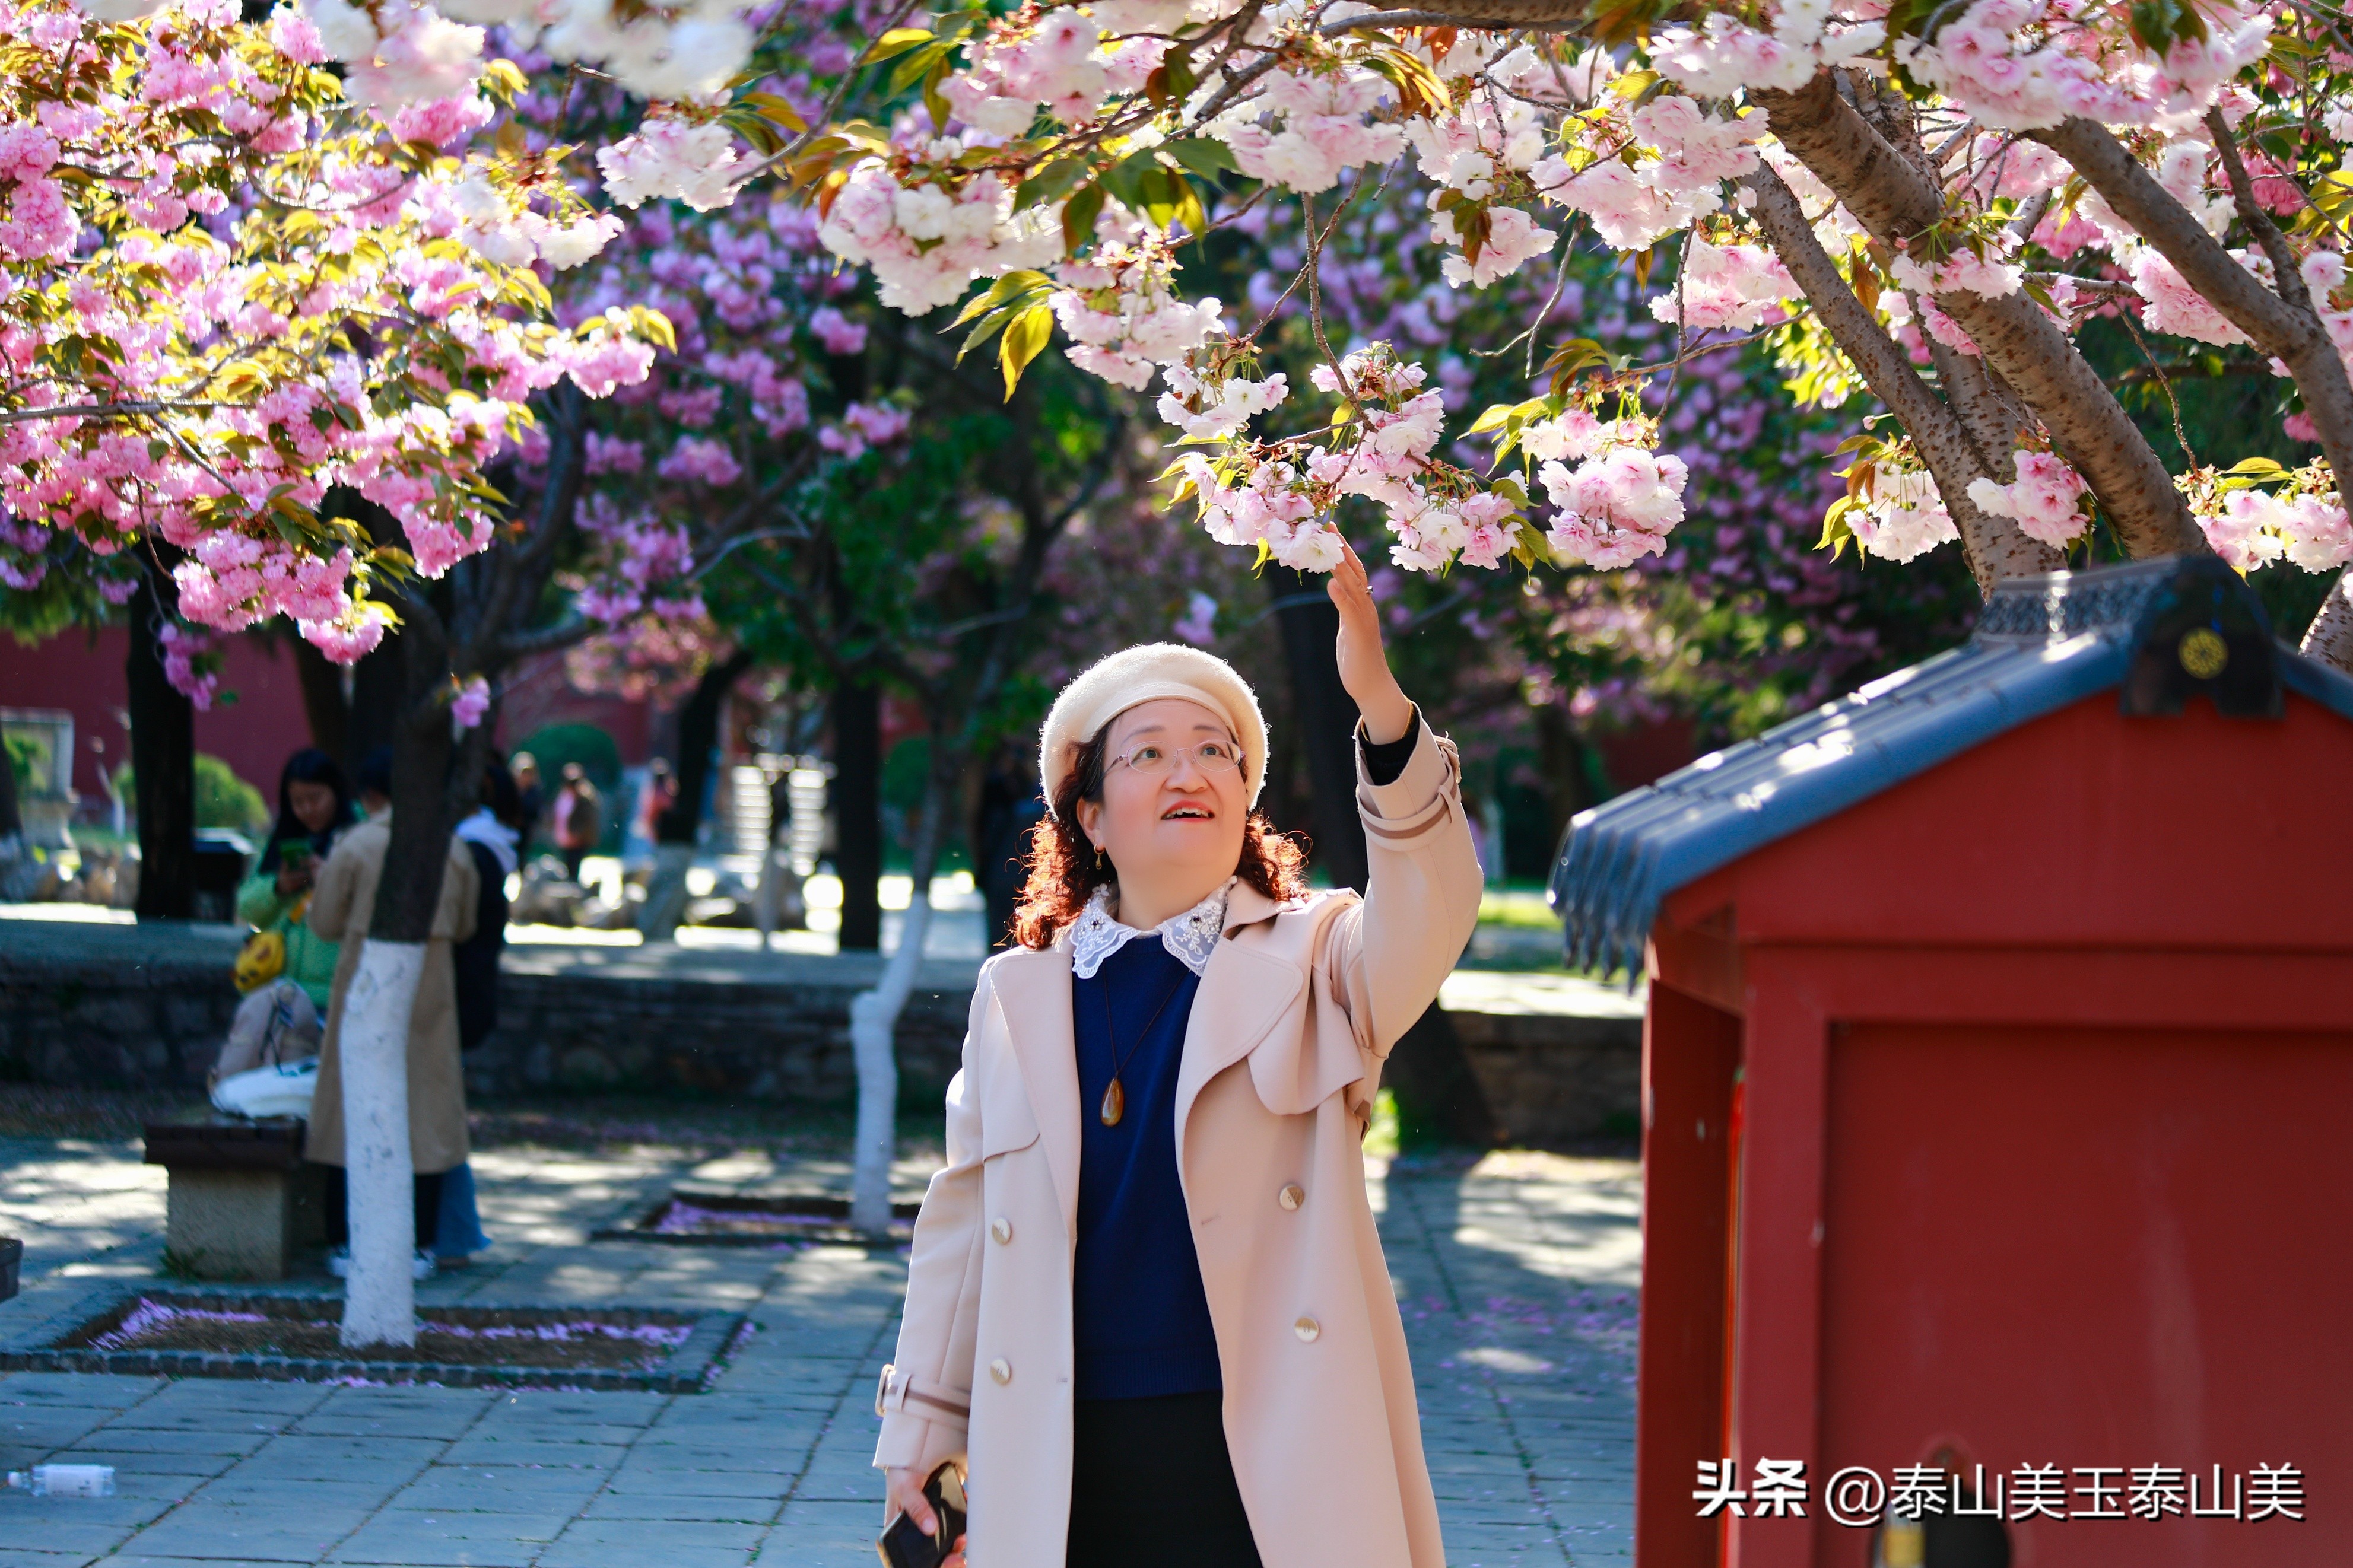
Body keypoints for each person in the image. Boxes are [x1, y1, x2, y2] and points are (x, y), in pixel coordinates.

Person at [875, 545, 1483, 1568]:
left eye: (1216, 750)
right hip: (1059, 1440)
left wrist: (1380, 708)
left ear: (1246, 797)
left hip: (1262, 1438)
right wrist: (923, 1427)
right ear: (1091, 816)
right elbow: (967, 1214)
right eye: (1147, 753)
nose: (1190, 769)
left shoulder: (1322, 956)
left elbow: (1434, 907)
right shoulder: (1016, 992)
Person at [304, 746, 480, 1280]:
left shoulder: (355, 844)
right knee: (426, 1113)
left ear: (371, 795)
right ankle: (421, 1244)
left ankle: (342, 1241)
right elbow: (468, 923)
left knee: (346, 1108)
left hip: (364, 987)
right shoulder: (451, 848)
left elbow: (323, 922)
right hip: (431, 994)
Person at [219, 750, 358, 1089]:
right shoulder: (284, 838)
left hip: (333, 992)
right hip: (279, 989)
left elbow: (367, 905)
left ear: (336, 793)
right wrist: (280, 887)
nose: (307, 809)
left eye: (315, 798)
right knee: (271, 1076)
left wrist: (329, 880)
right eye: (297, 801)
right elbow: (248, 906)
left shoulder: (358, 838)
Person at [439, 761, 522, 1266]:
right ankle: (452, 1233)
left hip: (451, 1002)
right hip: (468, 999)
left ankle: (450, 1235)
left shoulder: (468, 852)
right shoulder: (489, 846)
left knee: (438, 1120)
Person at [551, 762, 602, 881]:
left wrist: (577, 834)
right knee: (565, 869)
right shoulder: (563, 795)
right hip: (564, 840)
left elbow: (588, 819)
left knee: (573, 870)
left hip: (578, 841)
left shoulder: (585, 798)